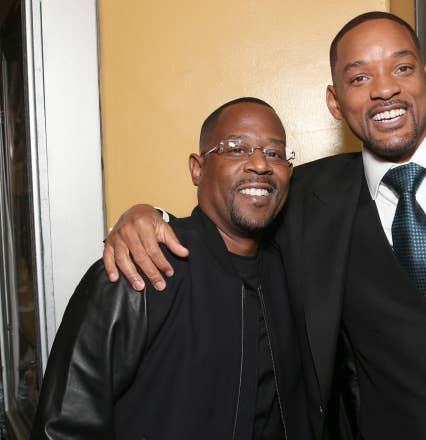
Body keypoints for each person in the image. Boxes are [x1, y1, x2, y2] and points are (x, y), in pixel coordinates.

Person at [103, 12, 426, 440]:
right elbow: (229, 215)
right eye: (359, 78)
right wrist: (148, 218)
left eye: (401, 69)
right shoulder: (301, 197)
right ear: (335, 102)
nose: (384, 91)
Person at [30, 98, 312, 439]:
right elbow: (63, 427)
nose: (259, 164)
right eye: (236, 148)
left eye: (274, 153)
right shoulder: (140, 269)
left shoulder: (294, 273)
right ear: (197, 168)